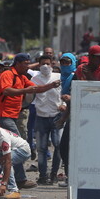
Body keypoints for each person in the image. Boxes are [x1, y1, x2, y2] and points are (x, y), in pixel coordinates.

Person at [0, 52, 60, 189]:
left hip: (11, 116)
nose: (28, 66)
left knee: (10, 147)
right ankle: (19, 178)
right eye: (26, 63)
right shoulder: (8, 74)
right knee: (20, 146)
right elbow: (6, 91)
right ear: (18, 63)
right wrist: (24, 90)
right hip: (3, 115)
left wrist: (51, 86)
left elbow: (35, 89)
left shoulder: (22, 77)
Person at [31, 55, 63, 185]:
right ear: (38, 65)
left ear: (52, 64)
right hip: (41, 117)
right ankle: (43, 175)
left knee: (58, 146)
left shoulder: (58, 77)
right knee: (41, 148)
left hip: (56, 116)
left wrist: (64, 106)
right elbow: (32, 94)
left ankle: (54, 173)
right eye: (43, 64)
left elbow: (64, 93)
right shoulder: (34, 79)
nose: (45, 66)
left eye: (48, 64)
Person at [56, 52, 77, 187]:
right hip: (70, 116)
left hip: (78, 117)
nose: (64, 65)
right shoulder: (63, 78)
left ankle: (73, 178)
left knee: (66, 148)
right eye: (62, 62)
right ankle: (71, 177)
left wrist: (71, 98)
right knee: (64, 148)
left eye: (67, 62)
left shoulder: (75, 77)